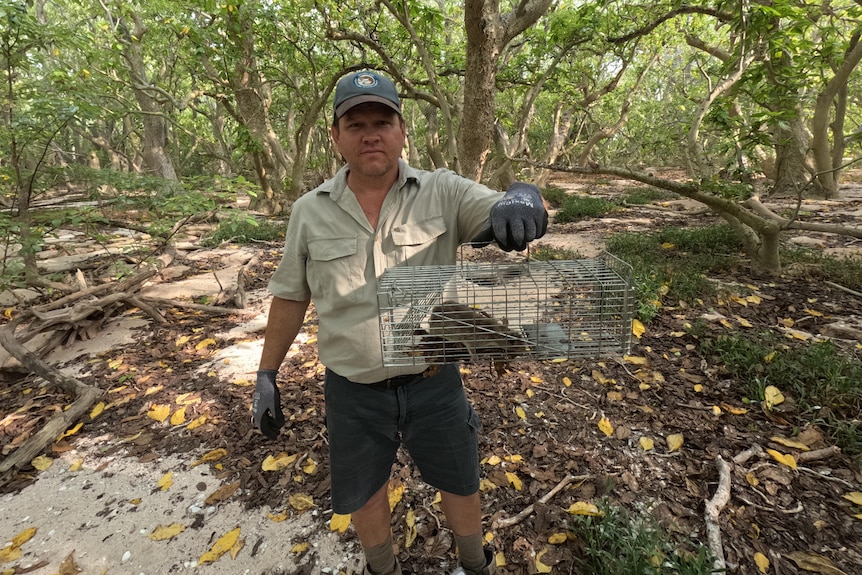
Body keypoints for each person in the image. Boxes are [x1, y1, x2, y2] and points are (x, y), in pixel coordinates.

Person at [252, 69, 547, 575]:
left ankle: (474, 565)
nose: (371, 133)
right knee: (365, 491)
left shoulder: (444, 191)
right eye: (356, 123)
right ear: (336, 135)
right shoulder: (309, 211)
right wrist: (266, 374)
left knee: (460, 479)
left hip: (435, 381)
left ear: (401, 129)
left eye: (382, 121)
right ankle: (381, 569)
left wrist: (524, 196)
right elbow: (289, 296)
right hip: (353, 389)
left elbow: (504, 208)